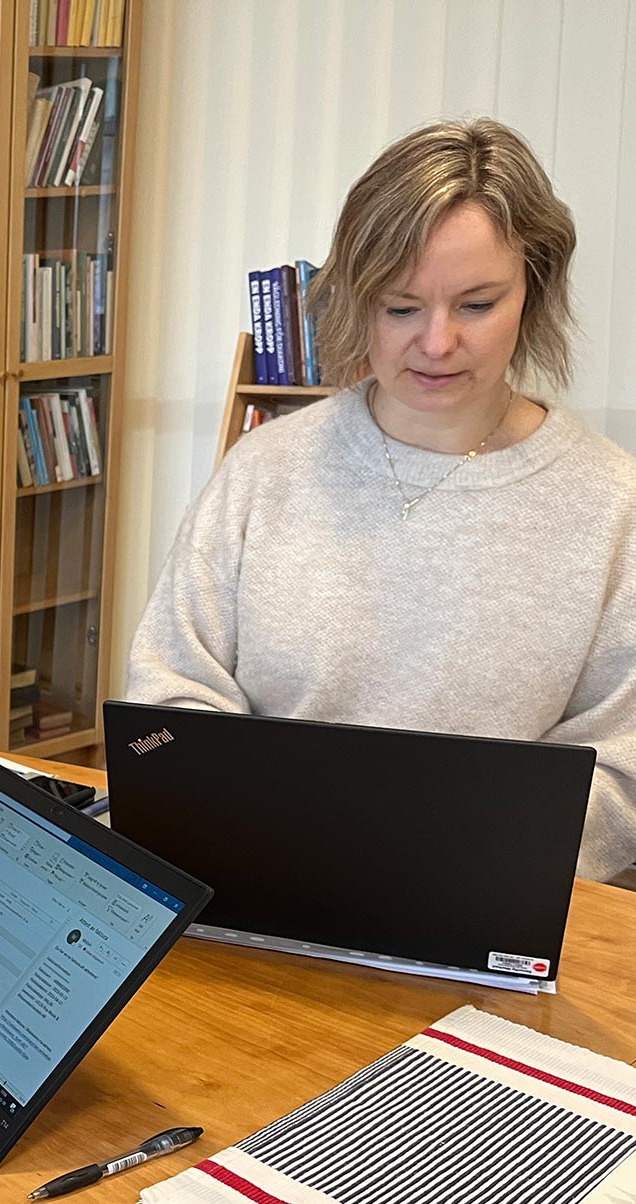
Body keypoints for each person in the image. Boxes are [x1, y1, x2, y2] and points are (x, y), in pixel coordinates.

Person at [126, 118, 636, 886]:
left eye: (476, 305)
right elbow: (171, 694)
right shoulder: (265, 468)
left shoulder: (611, 505)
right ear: (356, 301)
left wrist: (444, 863)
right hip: (259, 882)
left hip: (488, 904)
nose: (435, 344)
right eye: (400, 308)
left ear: (534, 292)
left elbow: (619, 775)